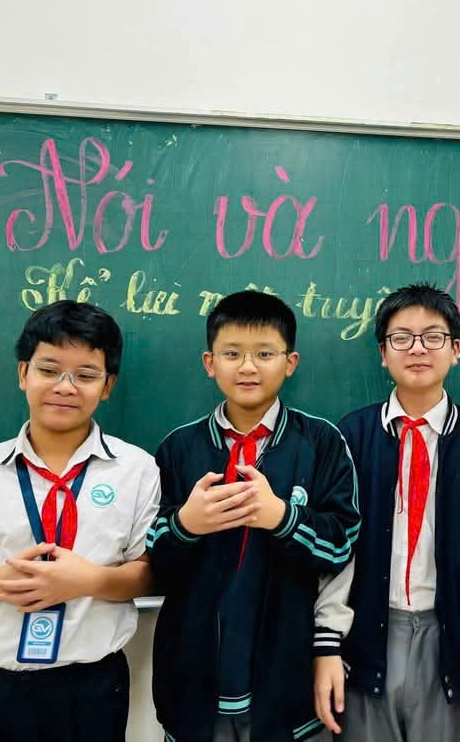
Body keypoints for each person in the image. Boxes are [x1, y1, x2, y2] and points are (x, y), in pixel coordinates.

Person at [0, 300, 160, 742]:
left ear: (108, 385)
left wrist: (86, 581)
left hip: (91, 690)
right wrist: (1, 581)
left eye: (85, 375)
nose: (65, 386)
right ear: (23, 373)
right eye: (49, 369)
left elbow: (148, 575)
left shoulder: (137, 470)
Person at [147, 289, 359, 742]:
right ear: (209, 362)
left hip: (287, 679)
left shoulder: (321, 443)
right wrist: (186, 525)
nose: (248, 366)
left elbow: (342, 544)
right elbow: (151, 560)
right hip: (192, 677)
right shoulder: (178, 448)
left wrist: (282, 517)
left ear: (291, 362)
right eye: (232, 353)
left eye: (265, 353)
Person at [323, 282, 460, 741]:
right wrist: (327, 642)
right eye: (401, 337)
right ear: (383, 353)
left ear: (456, 350)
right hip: (366, 635)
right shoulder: (352, 433)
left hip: (448, 641)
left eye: (433, 336)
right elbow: (338, 548)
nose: (418, 349)